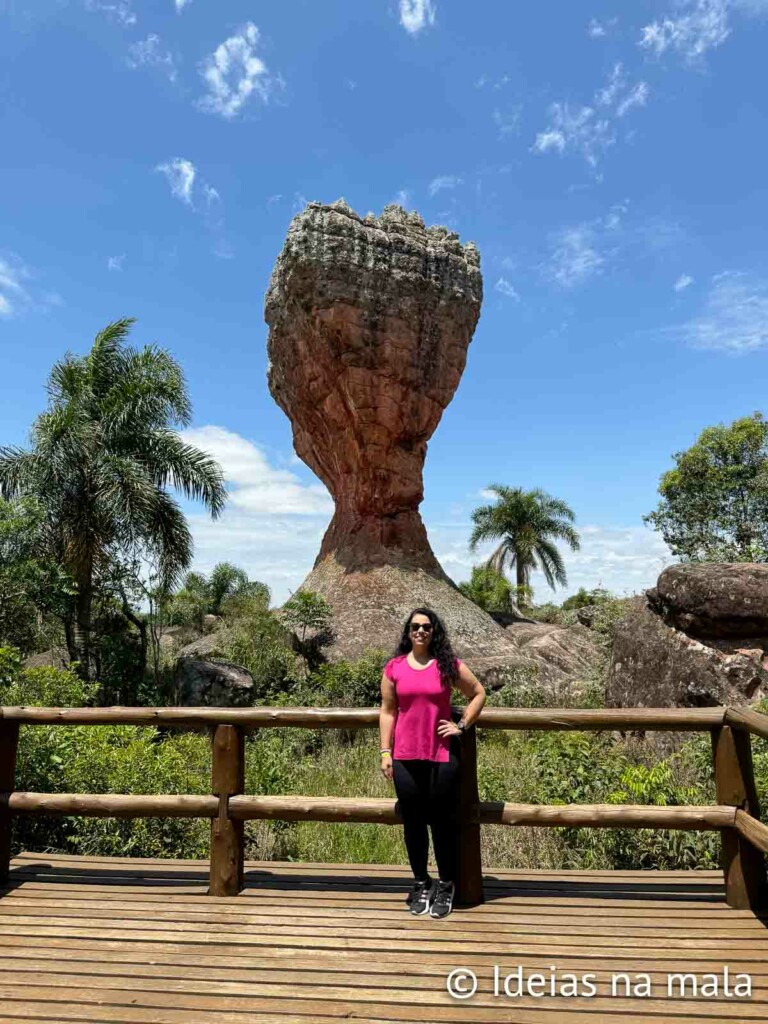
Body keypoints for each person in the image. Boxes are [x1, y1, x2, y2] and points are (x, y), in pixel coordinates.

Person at [379, 607, 486, 919]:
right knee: (413, 823)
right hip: (405, 756)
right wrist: (385, 752)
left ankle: (446, 884)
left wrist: (462, 725)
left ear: (434, 631)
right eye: (415, 626)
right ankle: (421, 882)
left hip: (441, 754)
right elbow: (387, 711)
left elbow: (478, 693)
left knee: (442, 823)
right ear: (408, 631)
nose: (421, 631)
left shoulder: (447, 665)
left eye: (427, 626)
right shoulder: (394, 667)